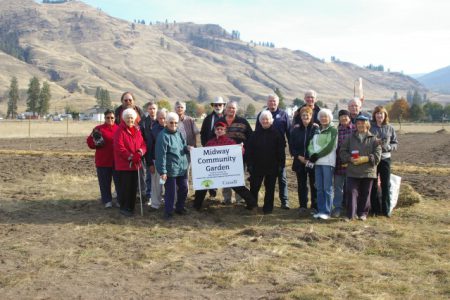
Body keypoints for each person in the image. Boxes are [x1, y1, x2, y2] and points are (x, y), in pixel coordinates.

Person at [193, 122, 257, 211]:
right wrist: (194, 152)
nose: (219, 130)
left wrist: (241, 149)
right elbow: (204, 156)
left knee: (238, 186)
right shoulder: (210, 143)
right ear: (215, 131)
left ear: (225, 131)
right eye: (217, 129)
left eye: (221, 129)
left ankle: (252, 204)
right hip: (212, 171)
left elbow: (238, 154)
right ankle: (196, 206)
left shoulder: (230, 142)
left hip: (227, 172)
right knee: (203, 185)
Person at [340, 115, 381, 221]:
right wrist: (349, 159)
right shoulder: (350, 138)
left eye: (363, 123)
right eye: (358, 124)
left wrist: (367, 158)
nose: (360, 125)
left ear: (367, 125)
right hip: (352, 171)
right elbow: (342, 151)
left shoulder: (374, 139)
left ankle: (362, 213)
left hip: (368, 171)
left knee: (365, 193)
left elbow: (377, 156)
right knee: (351, 191)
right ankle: (350, 215)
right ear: (355, 125)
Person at [255, 94, 291, 209]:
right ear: (267, 102)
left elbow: (289, 132)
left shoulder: (284, 114)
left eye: (274, 101)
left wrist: (292, 150)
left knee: (282, 177)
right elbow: (257, 131)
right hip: (264, 152)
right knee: (266, 179)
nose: (272, 103)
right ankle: (257, 202)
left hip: (279, 151)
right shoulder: (262, 114)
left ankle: (284, 201)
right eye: (270, 101)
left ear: (278, 102)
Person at [247, 111, 285, 214]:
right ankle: (253, 206)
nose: (265, 121)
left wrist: (281, 165)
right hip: (257, 166)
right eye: (263, 119)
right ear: (260, 121)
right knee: (254, 187)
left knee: (270, 188)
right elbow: (249, 150)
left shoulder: (277, 134)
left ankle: (268, 208)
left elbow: (281, 151)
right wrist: (249, 164)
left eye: (267, 119)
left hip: (272, 166)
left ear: (271, 121)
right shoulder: (255, 134)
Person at [155, 112, 190, 220]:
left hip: (182, 168)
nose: (174, 125)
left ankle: (180, 207)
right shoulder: (163, 136)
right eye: (171, 122)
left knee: (184, 188)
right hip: (170, 169)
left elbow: (183, 146)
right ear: (166, 122)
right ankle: (168, 212)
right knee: (170, 192)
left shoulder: (179, 133)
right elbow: (161, 155)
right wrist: (163, 171)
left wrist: (187, 148)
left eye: (176, 122)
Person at [216, 101, 253, 205]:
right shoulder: (219, 121)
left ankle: (239, 199)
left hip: (239, 156)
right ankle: (227, 198)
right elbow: (213, 136)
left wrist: (245, 148)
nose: (231, 110)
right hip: (223, 157)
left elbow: (250, 137)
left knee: (239, 177)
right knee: (226, 176)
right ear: (225, 109)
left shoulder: (243, 121)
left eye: (233, 108)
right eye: (229, 108)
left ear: (236, 109)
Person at [113, 108, 147, 217]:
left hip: (135, 164)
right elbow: (120, 148)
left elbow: (143, 144)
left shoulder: (137, 130)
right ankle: (124, 207)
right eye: (128, 118)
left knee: (133, 187)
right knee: (125, 187)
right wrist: (131, 157)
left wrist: (139, 153)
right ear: (124, 119)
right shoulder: (120, 130)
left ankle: (131, 207)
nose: (130, 120)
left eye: (132, 118)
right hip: (125, 165)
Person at [307, 108, 338, 220]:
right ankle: (320, 211)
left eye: (326, 116)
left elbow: (329, 147)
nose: (323, 119)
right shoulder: (317, 130)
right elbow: (311, 144)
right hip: (317, 163)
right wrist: (311, 154)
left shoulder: (333, 130)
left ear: (330, 118)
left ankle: (327, 211)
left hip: (328, 163)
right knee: (319, 187)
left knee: (327, 188)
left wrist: (317, 155)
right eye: (321, 117)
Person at [86, 109, 120, 208]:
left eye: (112, 117)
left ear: (115, 118)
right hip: (103, 161)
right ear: (104, 118)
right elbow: (89, 142)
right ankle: (107, 201)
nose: (110, 119)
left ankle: (119, 200)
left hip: (116, 161)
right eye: (108, 117)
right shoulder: (98, 129)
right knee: (104, 182)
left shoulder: (119, 129)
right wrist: (96, 143)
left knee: (119, 182)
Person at [289, 106, 320, 214]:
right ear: (300, 117)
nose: (305, 117)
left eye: (307, 115)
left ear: (311, 116)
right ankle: (302, 205)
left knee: (314, 184)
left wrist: (310, 159)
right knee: (302, 184)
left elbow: (318, 146)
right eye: (303, 115)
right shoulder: (296, 129)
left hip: (312, 161)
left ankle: (314, 206)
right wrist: (299, 156)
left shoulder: (316, 129)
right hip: (299, 161)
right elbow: (292, 145)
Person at [369, 106, 398, 217]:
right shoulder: (370, 127)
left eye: (381, 113)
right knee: (373, 185)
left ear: (385, 115)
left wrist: (389, 147)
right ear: (374, 115)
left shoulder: (390, 128)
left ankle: (386, 210)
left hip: (385, 159)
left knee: (386, 184)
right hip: (373, 160)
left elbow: (395, 143)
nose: (379, 115)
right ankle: (374, 209)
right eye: (377, 113)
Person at [199, 96, 226, 200]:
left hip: (224, 150)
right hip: (210, 150)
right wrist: (205, 146)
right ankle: (212, 194)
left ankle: (226, 196)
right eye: (216, 105)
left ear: (223, 105)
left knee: (224, 171)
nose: (218, 106)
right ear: (213, 106)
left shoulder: (227, 117)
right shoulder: (208, 118)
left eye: (220, 105)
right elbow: (202, 133)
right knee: (211, 172)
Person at [333, 110, 356, 217]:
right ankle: (337, 208)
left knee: (351, 188)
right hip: (338, 163)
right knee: (338, 187)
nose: (343, 118)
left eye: (345, 116)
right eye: (341, 117)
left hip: (352, 163)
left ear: (349, 117)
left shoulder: (355, 129)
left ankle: (351, 209)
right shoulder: (336, 131)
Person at [147, 108, 167, 212]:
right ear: (157, 119)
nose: (163, 120)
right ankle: (155, 204)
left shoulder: (172, 128)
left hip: (169, 161)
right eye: (160, 118)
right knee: (156, 184)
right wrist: (150, 163)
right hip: (156, 161)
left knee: (168, 183)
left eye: (164, 118)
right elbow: (149, 147)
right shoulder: (153, 130)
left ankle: (169, 202)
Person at [140, 101, 158, 203]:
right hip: (148, 151)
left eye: (154, 108)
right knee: (149, 175)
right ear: (147, 110)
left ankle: (159, 194)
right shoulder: (143, 122)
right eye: (150, 108)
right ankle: (149, 195)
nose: (152, 110)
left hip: (158, 151)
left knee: (160, 175)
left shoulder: (160, 120)